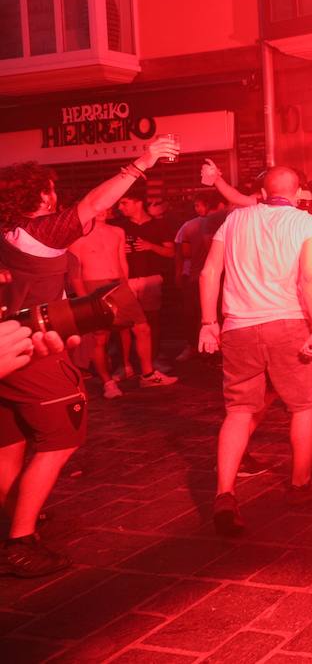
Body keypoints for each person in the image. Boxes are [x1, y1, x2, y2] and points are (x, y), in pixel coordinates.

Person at [0, 137, 177, 577]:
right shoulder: (39, 231)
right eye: (50, 189)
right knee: (60, 444)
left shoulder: (6, 234)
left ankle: (12, 522)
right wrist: (143, 161)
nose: (55, 194)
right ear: (42, 195)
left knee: (11, 446)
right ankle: (21, 542)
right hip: (37, 355)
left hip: (8, 349)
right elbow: (96, 202)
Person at [197, 166, 312, 536]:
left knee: (239, 410)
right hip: (287, 323)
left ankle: (225, 495)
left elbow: (209, 272)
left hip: (238, 327)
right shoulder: (305, 223)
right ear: (298, 193)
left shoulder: (234, 220)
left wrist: (207, 322)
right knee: (303, 404)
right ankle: (300, 484)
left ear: (262, 191)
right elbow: (309, 278)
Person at [67, 207, 151, 397]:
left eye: (105, 208)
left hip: (118, 284)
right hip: (94, 287)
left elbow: (122, 262)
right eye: (97, 208)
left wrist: (125, 287)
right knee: (100, 337)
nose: (102, 211)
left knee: (142, 328)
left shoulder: (117, 232)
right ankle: (108, 383)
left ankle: (148, 374)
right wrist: (84, 300)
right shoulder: (77, 238)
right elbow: (75, 273)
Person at [112, 186, 179, 387]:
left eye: (124, 203)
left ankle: (152, 360)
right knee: (123, 323)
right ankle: (125, 364)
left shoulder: (159, 225)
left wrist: (150, 246)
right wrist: (119, 250)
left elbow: (171, 253)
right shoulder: (119, 227)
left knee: (151, 321)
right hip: (127, 280)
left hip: (151, 279)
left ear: (137, 203)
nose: (120, 207)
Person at [172, 191, 229, 363]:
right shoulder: (231, 223)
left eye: (198, 204)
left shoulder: (191, 225)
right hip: (217, 277)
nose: (196, 208)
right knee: (216, 314)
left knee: (194, 314)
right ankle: (214, 350)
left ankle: (196, 348)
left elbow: (183, 252)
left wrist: (179, 272)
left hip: (197, 276)